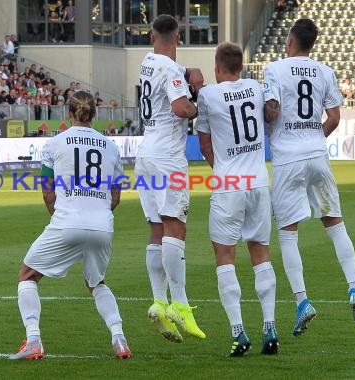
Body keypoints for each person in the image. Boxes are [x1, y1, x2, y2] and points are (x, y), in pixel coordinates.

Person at [263, 18, 355, 336]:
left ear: (291, 41)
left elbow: (271, 109)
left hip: (287, 159)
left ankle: (302, 302)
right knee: (335, 222)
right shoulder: (324, 71)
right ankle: (354, 289)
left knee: (288, 232)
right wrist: (315, 137)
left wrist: (269, 113)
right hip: (317, 154)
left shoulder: (275, 70)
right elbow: (334, 117)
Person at [9, 91, 131, 360]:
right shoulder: (111, 147)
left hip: (67, 222)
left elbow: (47, 190)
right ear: (95, 115)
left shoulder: (54, 144)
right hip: (102, 226)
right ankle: (119, 338)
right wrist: (96, 211)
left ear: (69, 114)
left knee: (27, 276)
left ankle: (33, 341)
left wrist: (59, 216)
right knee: (97, 283)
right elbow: (116, 197)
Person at [196, 42, 279, 357]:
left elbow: (205, 143)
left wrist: (223, 173)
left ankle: (238, 332)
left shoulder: (208, 95)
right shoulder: (256, 88)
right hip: (258, 182)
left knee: (225, 257)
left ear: (218, 67)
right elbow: (271, 115)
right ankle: (270, 327)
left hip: (229, 183)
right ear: (241, 67)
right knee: (260, 253)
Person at [135, 14, 205, 343]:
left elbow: (167, 92)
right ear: (178, 39)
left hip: (146, 151)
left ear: (152, 37)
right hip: (167, 156)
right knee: (175, 224)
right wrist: (197, 100)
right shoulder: (172, 69)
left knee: (156, 227)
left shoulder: (147, 63)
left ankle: (159, 301)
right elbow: (179, 108)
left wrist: (185, 83)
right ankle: (180, 303)